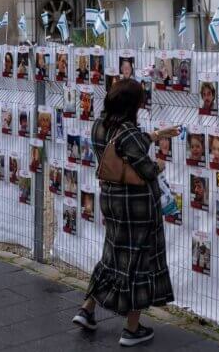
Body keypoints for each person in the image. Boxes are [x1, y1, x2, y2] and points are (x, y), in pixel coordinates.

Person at [72, 78, 181, 346]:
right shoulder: (129, 132)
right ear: (132, 104)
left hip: (111, 198)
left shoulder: (100, 125)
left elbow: (122, 146)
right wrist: (159, 167)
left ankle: (87, 309)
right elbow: (145, 168)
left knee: (112, 255)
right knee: (138, 261)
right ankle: (132, 329)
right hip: (136, 206)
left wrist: (156, 135)